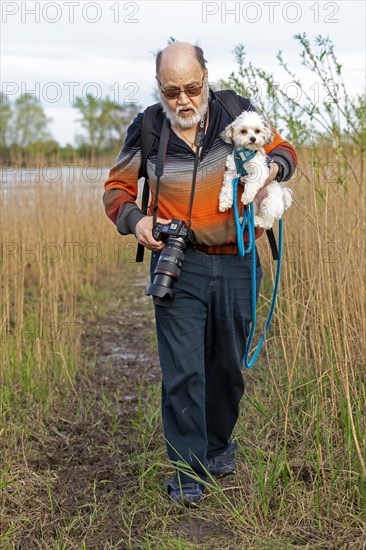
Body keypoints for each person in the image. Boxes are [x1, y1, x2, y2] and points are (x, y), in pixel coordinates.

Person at [103, 42, 297, 505]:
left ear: (206, 77)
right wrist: (136, 220)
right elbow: (116, 188)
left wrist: (271, 167)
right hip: (179, 264)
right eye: (172, 91)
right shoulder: (149, 126)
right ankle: (188, 472)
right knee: (183, 372)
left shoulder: (236, 111)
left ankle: (217, 446)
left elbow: (284, 149)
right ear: (160, 89)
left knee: (226, 369)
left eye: (192, 87)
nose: (184, 100)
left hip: (238, 260)